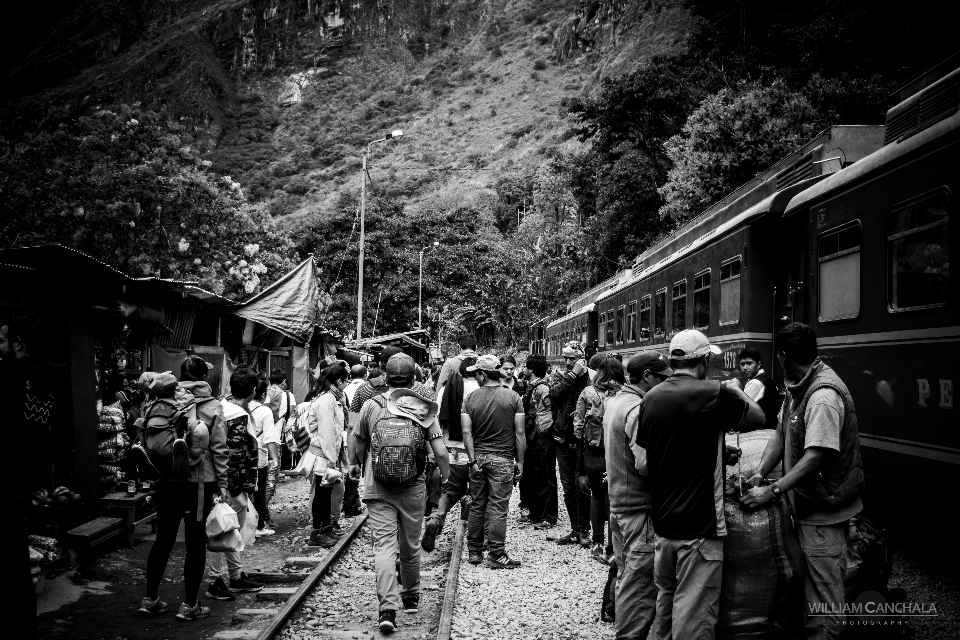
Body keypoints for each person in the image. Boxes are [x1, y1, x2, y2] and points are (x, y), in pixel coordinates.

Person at [637, 330, 765, 640]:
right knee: (694, 618)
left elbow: (661, 452)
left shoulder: (650, 397)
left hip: (664, 527)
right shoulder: (712, 393)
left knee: (665, 607)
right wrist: (736, 389)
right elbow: (760, 418)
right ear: (704, 360)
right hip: (699, 528)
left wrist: (718, 452)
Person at [740, 323, 864, 640]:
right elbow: (782, 434)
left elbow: (817, 456)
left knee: (824, 601)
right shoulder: (798, 387)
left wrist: (772, 489)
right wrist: (761, 471)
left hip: (824, 512)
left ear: (782, 356)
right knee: (807, 588)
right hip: (807, 508)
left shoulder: (822, 396)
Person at [348, 354, 450, 634]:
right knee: (410, 543)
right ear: (414, 378)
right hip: (413, 487)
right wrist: (448, 479)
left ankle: (387, 610)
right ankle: (412, 596)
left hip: (377, 486)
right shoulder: (423, 408)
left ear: (385, 377)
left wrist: (358, 465)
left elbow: (357, 443)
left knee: (383, 547)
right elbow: (440, 451)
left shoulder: (371, 405)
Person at [140, 361, 232, 621]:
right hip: (199, 484)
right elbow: (219, 449)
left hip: (166, 481)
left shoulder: (162, 401)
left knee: (163, 540)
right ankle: (190, 604)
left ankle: (150, 600)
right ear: (204, 377)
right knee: (195, 544)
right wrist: (223, 484)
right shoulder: (212, 407)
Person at [604, 352, 673, 639]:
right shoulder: (637, 408)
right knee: (641, 583)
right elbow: (645, 464)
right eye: (663, 378)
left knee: (626, 574)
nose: (667, 384)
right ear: (647, 376)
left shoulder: (617, 402)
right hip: (639, 510)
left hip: (620, 504)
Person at [0, 315, 52, 639]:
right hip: (24, 478)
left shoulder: (8, 375)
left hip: (5, 478)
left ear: (18, 343)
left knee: (9, 560)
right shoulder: (43, 377)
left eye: (2, 340)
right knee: (17, 558)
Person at [461, 355, 526, 568]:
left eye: (476, 373)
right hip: (503, 459)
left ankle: (474, 552)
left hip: (478, 459)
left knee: (478, 504)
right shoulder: (513, 397)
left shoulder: (470, 399)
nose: (476, 377)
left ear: (482, 374)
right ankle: (496, 553)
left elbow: (466, 433)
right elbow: (520, 433)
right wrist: (521, 461)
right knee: (498, 507)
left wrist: (472, 461)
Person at [205, 367, 264, 601]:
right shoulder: (237, 415)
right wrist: (236, 488)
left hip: (216, 481)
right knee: (221, 532)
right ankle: (215, 581)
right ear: (252, 391)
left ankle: (236, 576)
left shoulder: (220, 406)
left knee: (229, 532)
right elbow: (236, 454)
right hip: (229, 486)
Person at [421, 357, 480, 552]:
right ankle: (472, 514)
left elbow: (436, 419)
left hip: (451, 451)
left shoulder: (446, 390)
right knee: (478, 491)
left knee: (448, 491)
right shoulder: (482, 390)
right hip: (475, 451)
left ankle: (436, 519)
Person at [574, 354, 622, 564]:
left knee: (596, 495)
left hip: (593, 451)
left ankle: (597, 543)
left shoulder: (588, 392)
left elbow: (577, 427)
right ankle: (612, 548)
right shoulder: (623, 394)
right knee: (612, 500)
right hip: (614, 452)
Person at [545, 342, 592, 545]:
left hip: (584, 438)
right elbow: (553, 395)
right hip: (563, 437)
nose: (567, 362)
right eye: (565, 357)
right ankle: (575, 528)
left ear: (582, 357)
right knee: (568, 486)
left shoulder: (591, 376)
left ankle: (585, 531)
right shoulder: (559, 375)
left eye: (572, 358)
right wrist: (571, 376)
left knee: (583, 484)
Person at [305, 364, 350, 547]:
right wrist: (332, 459)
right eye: (345, 381)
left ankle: (325, 527)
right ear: (338, 381)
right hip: (323, 454)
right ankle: (317, 532)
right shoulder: (326, 401)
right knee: (322, 494)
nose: (346, 385)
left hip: (328, 454)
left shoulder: (331, 398)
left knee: (327, 491)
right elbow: (327, 433)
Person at [521, 354, 558, 529]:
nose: (523, 370)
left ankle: (548, 515)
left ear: (531, 370)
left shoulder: (542, 389)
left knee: (545, 476)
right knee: (535, 476)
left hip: (541, 437)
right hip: (534, 437)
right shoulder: (534, 387)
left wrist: (539, 432)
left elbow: (546, 415)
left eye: (525, 367)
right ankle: (535, 513)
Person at [351, 347, 435, 413]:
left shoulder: (365, 388)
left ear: (380, 364)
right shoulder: (420, 389)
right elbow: (432, 420)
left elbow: (352, 424)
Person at [246, 379, 280, 536]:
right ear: (264, 394)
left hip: (242, 456)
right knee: (259, 492)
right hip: (259, 456)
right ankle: (259, 526)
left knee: (244, 491)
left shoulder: (239, 407)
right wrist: (275, 458)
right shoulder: (265, 411)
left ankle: (243, 524)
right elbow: (269, 438)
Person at [738, 346, 782, 430]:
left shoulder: (756, 383)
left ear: (758, 364)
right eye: (742, 364)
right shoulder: (764, 378)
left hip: (760, 432)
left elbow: (741, 410)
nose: (745, 368)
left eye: (749, 363)